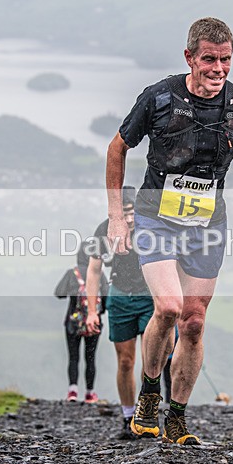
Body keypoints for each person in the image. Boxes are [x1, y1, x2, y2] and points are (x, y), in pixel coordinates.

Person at [106, 17, 233, 445]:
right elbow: (118, 147)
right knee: (166, 307)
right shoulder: (159, 96)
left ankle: (176, 417)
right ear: (189, 58)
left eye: (226, 60)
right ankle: (148, 393)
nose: (218, 68)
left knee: (195, 322)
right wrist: (116, 216)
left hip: (206, 224)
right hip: (155, 216)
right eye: (209, 59)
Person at [84, 186, 155, 440]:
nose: (129, 219)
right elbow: (93, 271)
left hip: (150, 296)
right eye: (124, 213)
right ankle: (127, 417)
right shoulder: (105, 228)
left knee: (151, 360)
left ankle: (147, 415)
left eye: (132, 213)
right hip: (121, 295)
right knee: (126, 362)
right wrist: (92, 311)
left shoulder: (151, 225)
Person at [54, 250, 108, 404]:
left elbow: (59, 293)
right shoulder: (99, 275)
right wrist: (99, 311)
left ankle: (72, 390)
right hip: (94, 323)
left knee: (73, 357)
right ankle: (90, 393)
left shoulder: (72, 273)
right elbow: (107, 295)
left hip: (73, 322)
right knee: (90, 358)